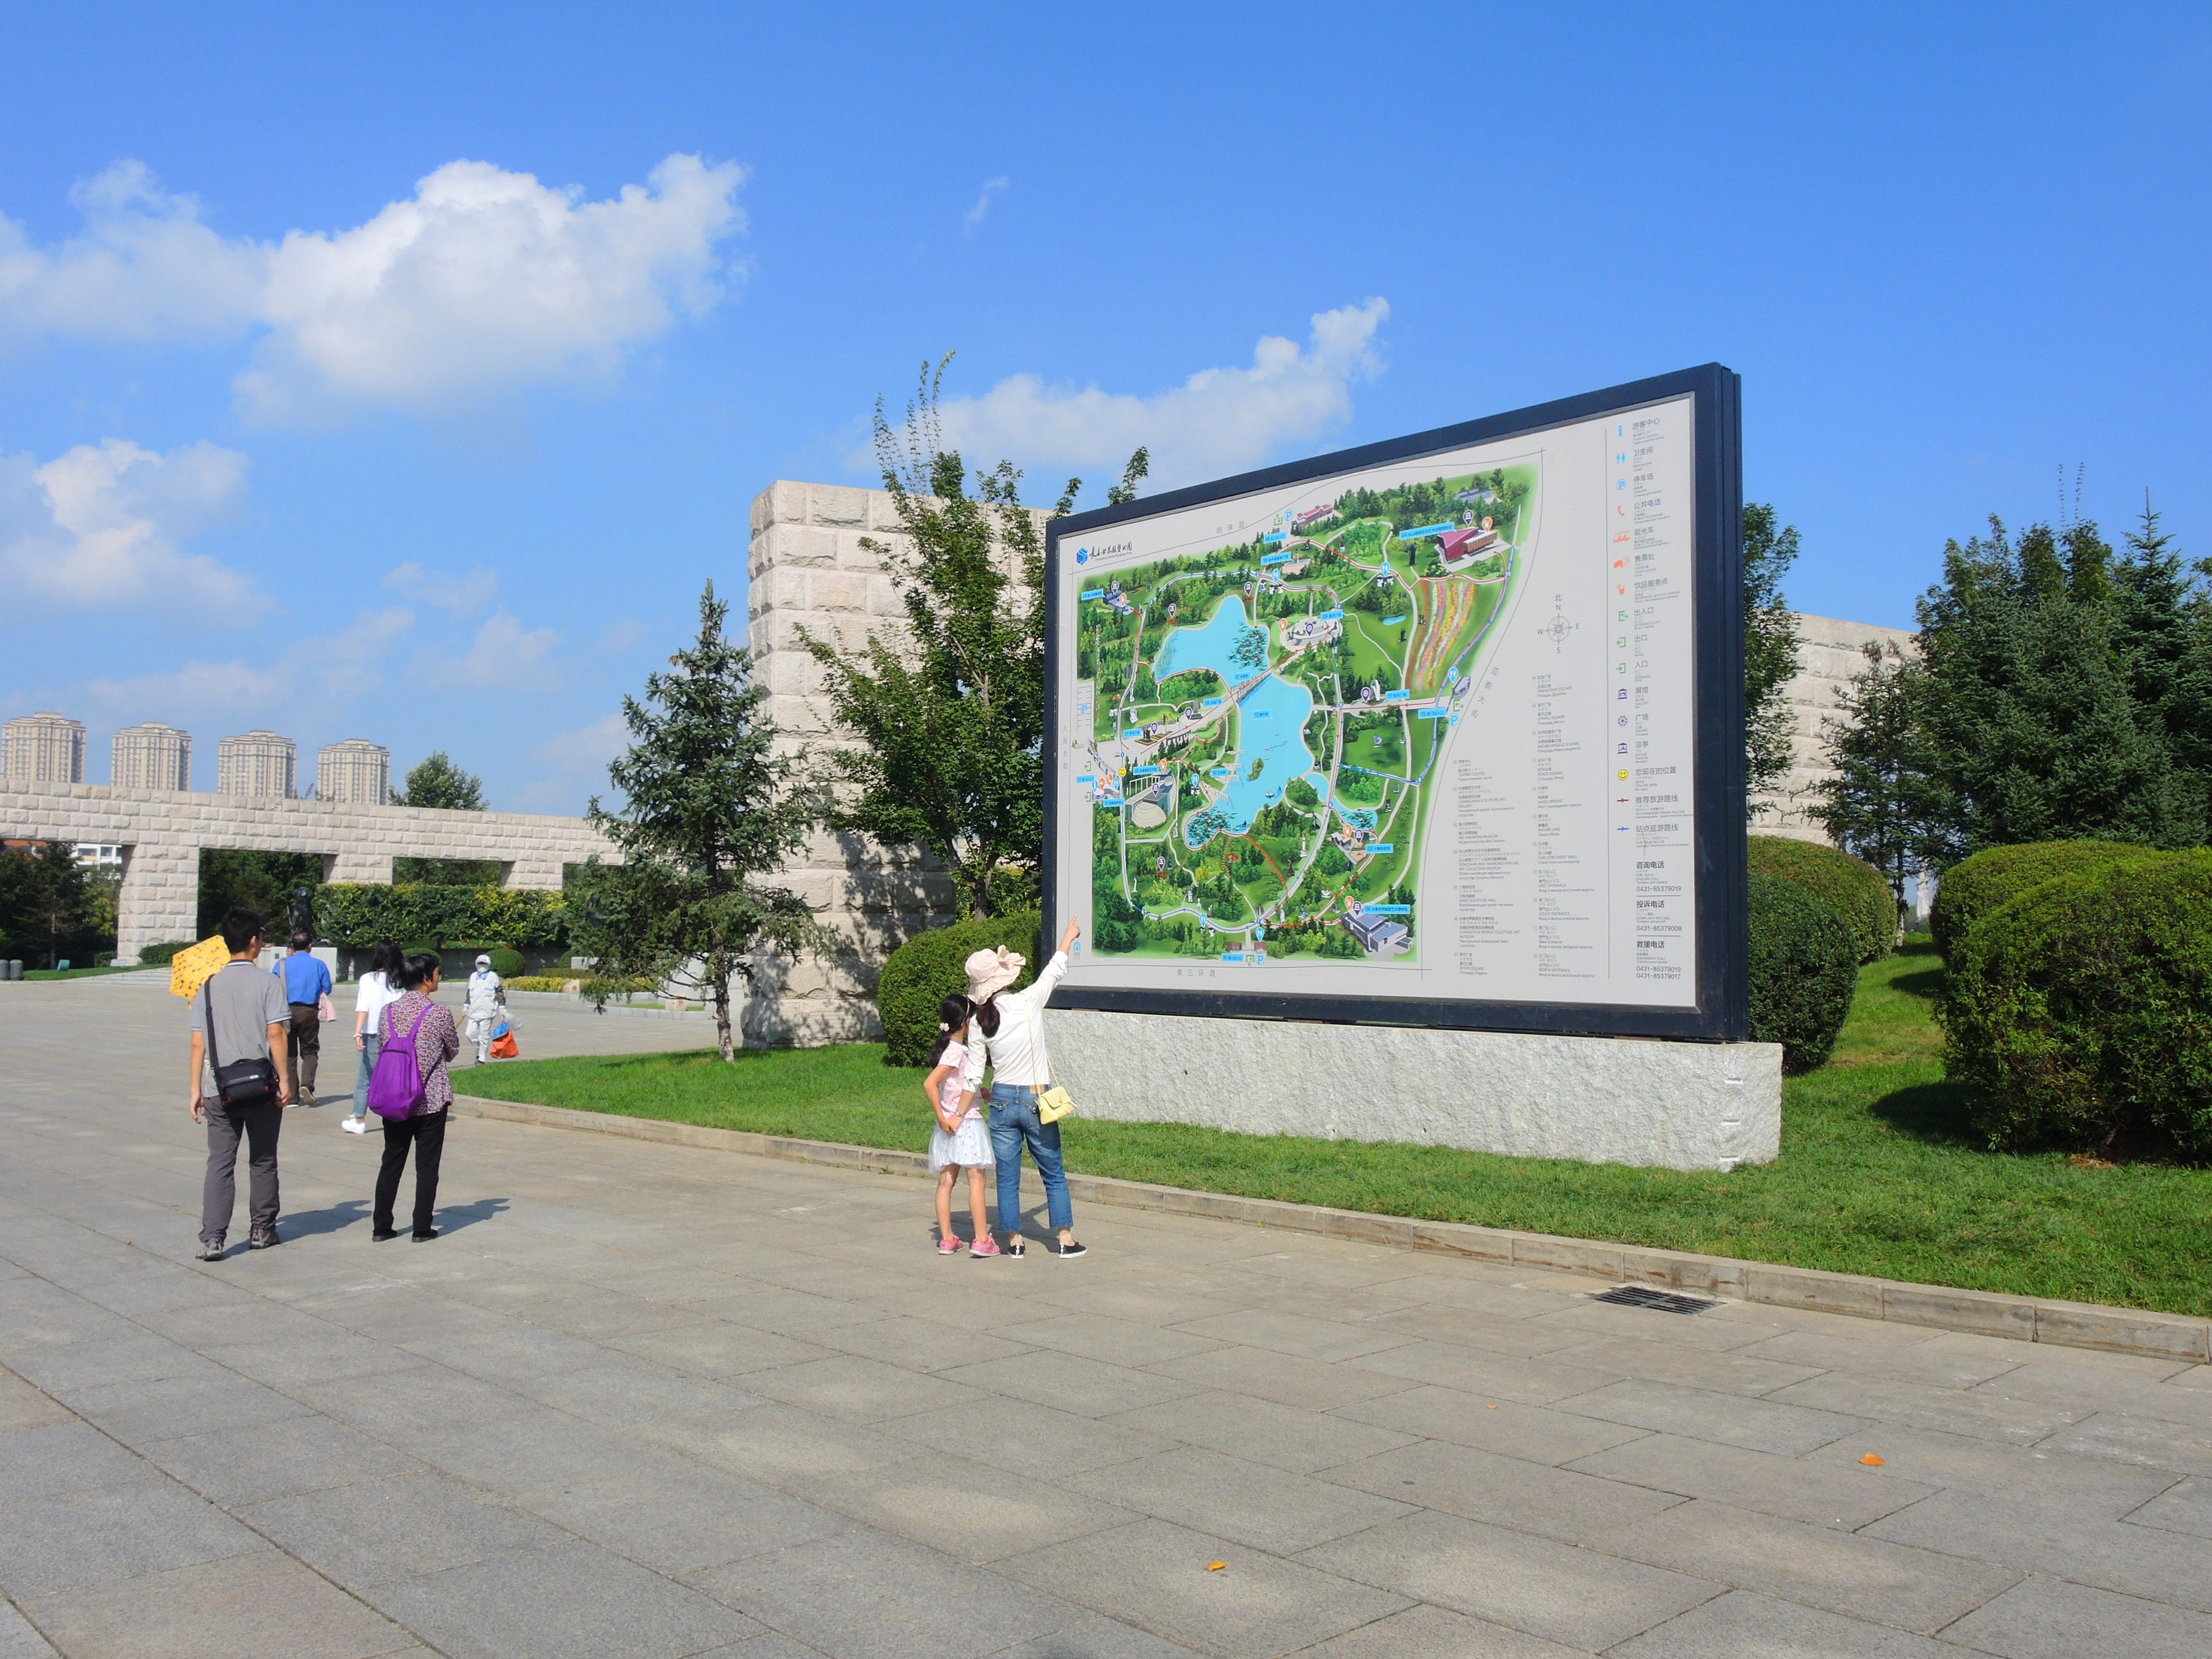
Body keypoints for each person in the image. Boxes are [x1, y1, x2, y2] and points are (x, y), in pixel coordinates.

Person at [969, 917, 1085, 1258]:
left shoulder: (978, 1021)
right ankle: (1065, 1240)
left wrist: (974, 1101)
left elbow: (975, 1074)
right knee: (1052, 1171)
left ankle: (1015, 1243)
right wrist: (1068, 936)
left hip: (1002, 1101)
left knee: (1007, 1176)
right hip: (1036, 1099)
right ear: (1004, 980)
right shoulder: (1027, 1001)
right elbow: (1054, 969)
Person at [188, 908, 294, 1258]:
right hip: (261, 1086)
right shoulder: (269, 983)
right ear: (253, 942)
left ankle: (213, 1238)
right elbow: (276, 1033)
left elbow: (197, 1043)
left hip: (218, 1087)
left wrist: (194, 1090)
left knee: (220, 1161)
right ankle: (262, 1230)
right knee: (263, 1159)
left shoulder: (206, 986)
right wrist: (285, 1080)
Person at [373, 950, 460, 1242]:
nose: (439, 977)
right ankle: (421, 1227)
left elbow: (381, 1049)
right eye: (437, 972)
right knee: (427, 1165)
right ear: (426, 978)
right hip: (430, 1100)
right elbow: (452, 1050)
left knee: (392, 1161)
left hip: (394, 1097)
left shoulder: (388, 1012)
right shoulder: (439, 1013)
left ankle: (382, 1226)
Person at [922, 993, 998, 1257]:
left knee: (946, 1181)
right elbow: (930, 1083)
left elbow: (957, 1085)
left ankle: (947, 1239)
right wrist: (943, 1117)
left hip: (951, 1124)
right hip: (965, 1122)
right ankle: (981, 1239)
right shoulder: (957, 1051)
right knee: (977, 1179)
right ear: (966, 1021)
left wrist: (980, 1092)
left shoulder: (950, 1050)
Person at [345, 939, 405, 1135]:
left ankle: (359, 1118)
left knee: (365, 1079)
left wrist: (357, 1032)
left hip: (372, 1033)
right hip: (396, 1034)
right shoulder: (401, 979)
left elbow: (363, 1007)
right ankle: (398, 1114)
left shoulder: (367, 979)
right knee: (394, 1076)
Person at [273, 930, 333, 1107]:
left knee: (289, 1053)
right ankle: (307, 1085)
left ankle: (291, 1096)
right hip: (309, 1011)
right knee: (310, 1050)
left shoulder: (281, 964)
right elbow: (327, 988)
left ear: (293, 946)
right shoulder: (319, 965)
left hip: (286, 1011)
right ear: (310, 946)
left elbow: (273, 986)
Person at [464, 954, 506, 1065]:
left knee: (484, 1035)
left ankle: (482, 1058)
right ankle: (478, 1050)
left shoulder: (493, 977)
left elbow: (499, 992)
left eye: (484, 963)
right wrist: (466, 1006)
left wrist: (502, 1008)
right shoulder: (473, 976)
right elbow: (469, 992)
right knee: (470, 1033)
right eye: (480, 963)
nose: (482, 965)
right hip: (473, 1010)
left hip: (487, 1010)